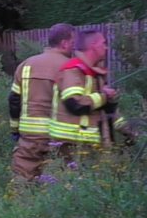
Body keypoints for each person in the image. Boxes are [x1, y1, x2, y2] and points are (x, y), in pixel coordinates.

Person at [8, 23, 74, 182]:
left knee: (22, 181)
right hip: (61, 136)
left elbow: (14, 99)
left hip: (30, 137)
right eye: (73, 42)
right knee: (69, 180)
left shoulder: (26, 65)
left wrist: (15, 129)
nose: (74, 47)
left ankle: (23, 205)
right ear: (64, 43)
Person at [50, 29, 130, 160]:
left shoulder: (94, 72)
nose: (106, 47)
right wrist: (104, 95)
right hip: (74, 142)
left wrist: (130, 131)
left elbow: (108, 112)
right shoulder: (73, 70)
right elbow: (75, 104)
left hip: (90, 141)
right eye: (103, 43)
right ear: (94, 45)